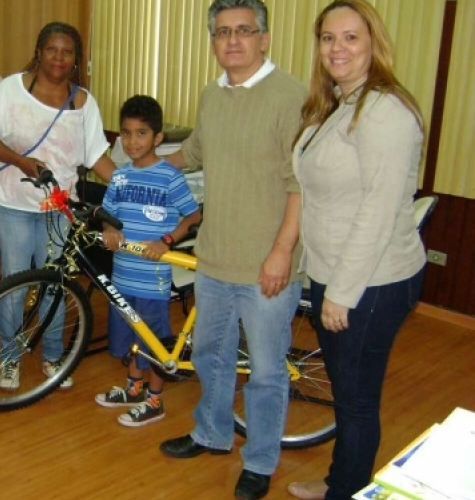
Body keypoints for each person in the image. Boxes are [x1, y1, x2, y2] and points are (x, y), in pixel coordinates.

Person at [156, 1, 306, 499]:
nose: (233, 40)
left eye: (244, 30)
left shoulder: (292, 97)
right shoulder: (212, 94)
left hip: (268, 264)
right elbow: (196, 151)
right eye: (223, 32)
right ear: (213, 41)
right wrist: (145, 171)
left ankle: (260, 460)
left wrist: (282, 251)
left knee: (265, 371)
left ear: (264, 38)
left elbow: (301, 183)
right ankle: (212, 432)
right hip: (216, 256)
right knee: (209, 354)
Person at [286, 2, 426, 499]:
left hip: (373, 281)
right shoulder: (339, 103)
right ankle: (340, 481)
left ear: (373, 43)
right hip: (340, 273)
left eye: (350, 37)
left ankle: (345, 490)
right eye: (328, 38)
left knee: (357, 399)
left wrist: (341, 293)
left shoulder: (384, 109)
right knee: (348, 395)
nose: (337, 48)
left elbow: (379, 210)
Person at [0, 21, 115, 391]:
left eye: (67, 52)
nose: (59, 58)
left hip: (60, 209)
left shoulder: (83, 101)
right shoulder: (11, 89)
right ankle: (9, 359)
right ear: (39, 52)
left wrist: (128, 185)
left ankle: (52, 355)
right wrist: (23, 162)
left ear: (76, 59)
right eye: (52, 49)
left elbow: (97, 156)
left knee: (56, 284)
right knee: (15, 284)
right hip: (15, 204)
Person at [95, 95, 200, 427]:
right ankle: (133, 388)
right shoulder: (121, 176)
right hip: (122, 275)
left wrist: (165, 241)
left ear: (157, 138)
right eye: (125, 133)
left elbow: (193, 216)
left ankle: (154, 401)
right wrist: (109, 227)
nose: (131, 141)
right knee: (131, 340)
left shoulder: (169, 176)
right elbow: (109, 215)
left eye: (141, 134)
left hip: (152, 280)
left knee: (154, 343)